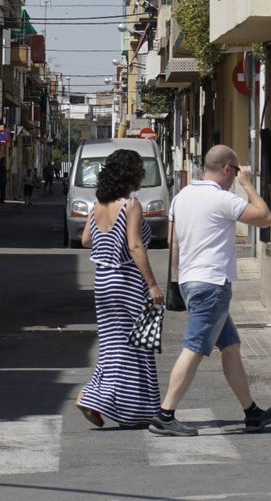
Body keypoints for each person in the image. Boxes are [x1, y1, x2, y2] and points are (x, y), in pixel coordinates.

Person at [148, 144, 271, 437]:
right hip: (212, 285)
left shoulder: (181, 198)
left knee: (230, 347)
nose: (235, 177)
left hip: (191, 281)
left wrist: (180, 282)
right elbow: (265, 217)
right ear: (226, 169)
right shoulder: (222, 199)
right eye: (235, 172)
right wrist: (248, 185)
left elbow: (174, 242)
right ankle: (165, 414)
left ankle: (252, 412)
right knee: (194, 348)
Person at [76, 149, 165, 429]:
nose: (142, 175)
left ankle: (113, 403)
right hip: (126, 283)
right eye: (139, 170)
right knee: (134, 347)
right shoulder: (131, 205)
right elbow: (135, 245)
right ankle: (97, 398)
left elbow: (86, 241)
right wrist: (152, 284)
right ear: (130, 174)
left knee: (112, 346)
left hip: (102, 282)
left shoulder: (97, 205)